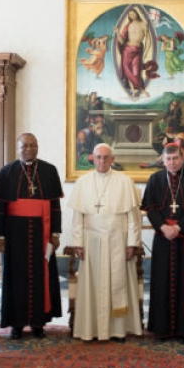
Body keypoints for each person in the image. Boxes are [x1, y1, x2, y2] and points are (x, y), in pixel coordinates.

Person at [0, 133, 64, 339]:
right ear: (18, 147)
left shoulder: (49, 171)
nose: (28, 149)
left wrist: (55, 233)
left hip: (42, 231)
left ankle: (38, 322)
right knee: (16, 277)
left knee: (42, 276)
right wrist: (1, 236)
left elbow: (55, 206)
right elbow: (1, 208)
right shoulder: (7, 172)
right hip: (15, 234)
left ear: (38, 147)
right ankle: (17, 323)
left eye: (32, 145)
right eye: (24, 146)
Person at [68, 143, 143, 342]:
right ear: (93, 158)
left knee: (118, 285)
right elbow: (78, 217)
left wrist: (132, 243)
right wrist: (77, 242)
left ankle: (118, 331)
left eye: (106, 157)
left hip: (118, 239)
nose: (102, 161)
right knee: (92, 285)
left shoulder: (125, 182)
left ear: (112, 159)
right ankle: (90, 330)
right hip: (91, 242)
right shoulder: (83, 182)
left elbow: (133, 217)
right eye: (98, 157)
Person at [141, 143, 184, 341]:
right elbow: (150, 209)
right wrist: (163, 227)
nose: (172, 163)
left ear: (182, 157)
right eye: (168, 159)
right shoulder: (155, 179)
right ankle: (161, 328)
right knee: (161, 281)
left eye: (176, 158)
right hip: (163, 238)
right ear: (163, 160)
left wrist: (178, 228)